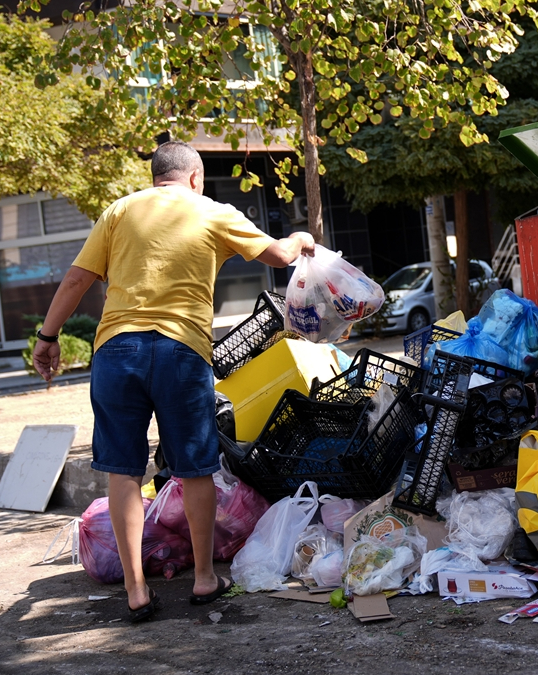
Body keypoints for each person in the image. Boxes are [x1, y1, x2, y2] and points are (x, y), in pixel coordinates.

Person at [32, 141, 315, 622]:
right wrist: (301, 238)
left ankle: (137, 591)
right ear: (195, 177)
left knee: (123, 470)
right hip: (181, 351)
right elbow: (277, 256)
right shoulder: (213, 211)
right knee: (195, 466)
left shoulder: (120, 211)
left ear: (155, 177)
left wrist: (47, 336)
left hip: (116, 350)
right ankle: (205, 579)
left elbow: (77, 279)